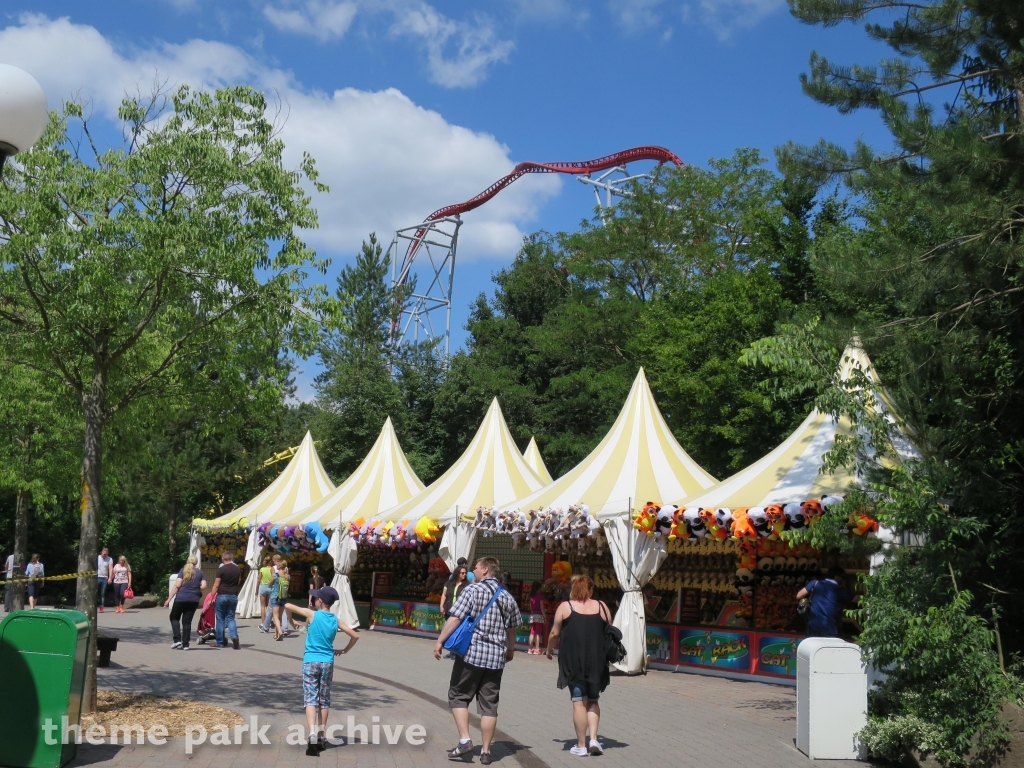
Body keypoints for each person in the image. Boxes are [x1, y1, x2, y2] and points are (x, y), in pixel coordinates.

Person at [434, 557, 522, 766]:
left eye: (475, 568)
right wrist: (510, 650)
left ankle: (465, 740)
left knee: (457, 695)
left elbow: (455, 617)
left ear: (484, 570)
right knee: (489, 705)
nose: (472, 571)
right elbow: (513, 627)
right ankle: (486, 752)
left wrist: (440, 640)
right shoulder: (507, 596)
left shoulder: (472, 591)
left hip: (471, 655)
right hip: (495, 659)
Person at [282, 586, 359, 755]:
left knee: (310, 697)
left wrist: (290, 620)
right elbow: (355, 636)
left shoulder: (312, 614)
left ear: (320, 601)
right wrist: (344, 650)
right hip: (327, 662)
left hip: (310, 661)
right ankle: (322, 736)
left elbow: (287, 606)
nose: (314, 600)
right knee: (323, 699)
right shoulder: (335, 619)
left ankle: (311, 734)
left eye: (316, 598)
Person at [546, 575, 611, 757]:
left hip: (573, 661)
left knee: (578, 702)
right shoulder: (602, 607)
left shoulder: (566, 607)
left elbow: (554, 633)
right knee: (593, 700)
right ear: (590, 590)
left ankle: (581, 745)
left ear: (573, 589)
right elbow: (609, 630)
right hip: (597, 661)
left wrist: (549, 650)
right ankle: (594, 739)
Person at [797, 566, 856, 638]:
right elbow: (858, 599)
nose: (842, 580)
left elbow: (799, 595)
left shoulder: (815, 583)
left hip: (813, 627)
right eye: (842, 577)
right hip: (830, 629)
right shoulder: (840, 590)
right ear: (836, 576)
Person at [165, 556, 207, 650]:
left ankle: (177, 640)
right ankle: (186, 644)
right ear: (196, 563)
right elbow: (204, 586)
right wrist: (195, 587)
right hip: (194, 600)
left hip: (181, 599)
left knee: (174, 618)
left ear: (187, 561)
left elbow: (177, 585)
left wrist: (169, 599)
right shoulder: (200, 573)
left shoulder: (182, 570)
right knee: (187, 622)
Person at [211, 550, 242, 649]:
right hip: (233, 596)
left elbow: (216, 585)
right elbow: (238, 581)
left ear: (223, 559)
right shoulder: (237, 569)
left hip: (222, 595)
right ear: (232, 558)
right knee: (230, 618)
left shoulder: (221, 569)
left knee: (220, 619)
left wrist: (211, 597)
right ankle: (234, 636)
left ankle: (220, 642)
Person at [270, 561, 290, 641]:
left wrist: (272, 580)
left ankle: (280, 631)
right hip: (284, 598)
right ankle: (276, 633)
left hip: (275, 597)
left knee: (275, 617)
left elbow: (269, 585)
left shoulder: (275, 575)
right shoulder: (287, 576)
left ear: (279, 567)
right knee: (280, 617)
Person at [528, 581, 546, 655]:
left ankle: (530, 648)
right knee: (537, 633)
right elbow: (542, 608)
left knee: (532, 632)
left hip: (533, 615)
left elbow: (531, 608)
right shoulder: (540, 597)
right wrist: (545, 616)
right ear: (539, 588)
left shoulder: (531, 596)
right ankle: (537, 649)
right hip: (539, 616)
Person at [258, 556, 274, 624]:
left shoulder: (262, 569)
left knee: (262, 606)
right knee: (269, 606)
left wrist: (256, 589)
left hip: (263, 587)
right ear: (271, 562)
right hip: (270, 587)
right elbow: (274, 577)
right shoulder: (272, 569)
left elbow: (259, 580)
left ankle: (263, 622)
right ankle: (269, 622)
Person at [97, 547, 113, 613]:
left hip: (104, 578)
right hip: (97, 577)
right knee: (95, 593)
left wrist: (110, 578)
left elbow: (110, 569)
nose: (104, 555)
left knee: (102, 593)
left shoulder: (109, 559)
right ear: (101, 552)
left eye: (106, 554)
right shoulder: (97, 558)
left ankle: (101, 607)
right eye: (104, 554)